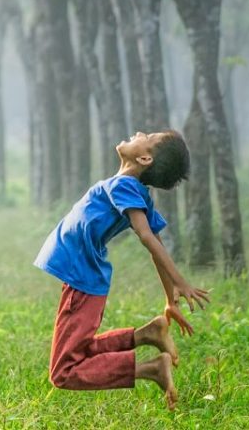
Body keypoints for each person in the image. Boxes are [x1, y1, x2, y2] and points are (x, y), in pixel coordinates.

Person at [33, 130, 209, 410]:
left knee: (63, 371)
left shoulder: (126, 186)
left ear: (144, 157)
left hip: (83, 280)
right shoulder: (131, 188)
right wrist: (169, 298)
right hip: (83, 278)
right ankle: (147, 335)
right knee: (79, 351)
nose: (139, 132)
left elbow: (149, 238)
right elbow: (156, 242)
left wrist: (180, 282)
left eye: (147, 136)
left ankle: (151, 370)